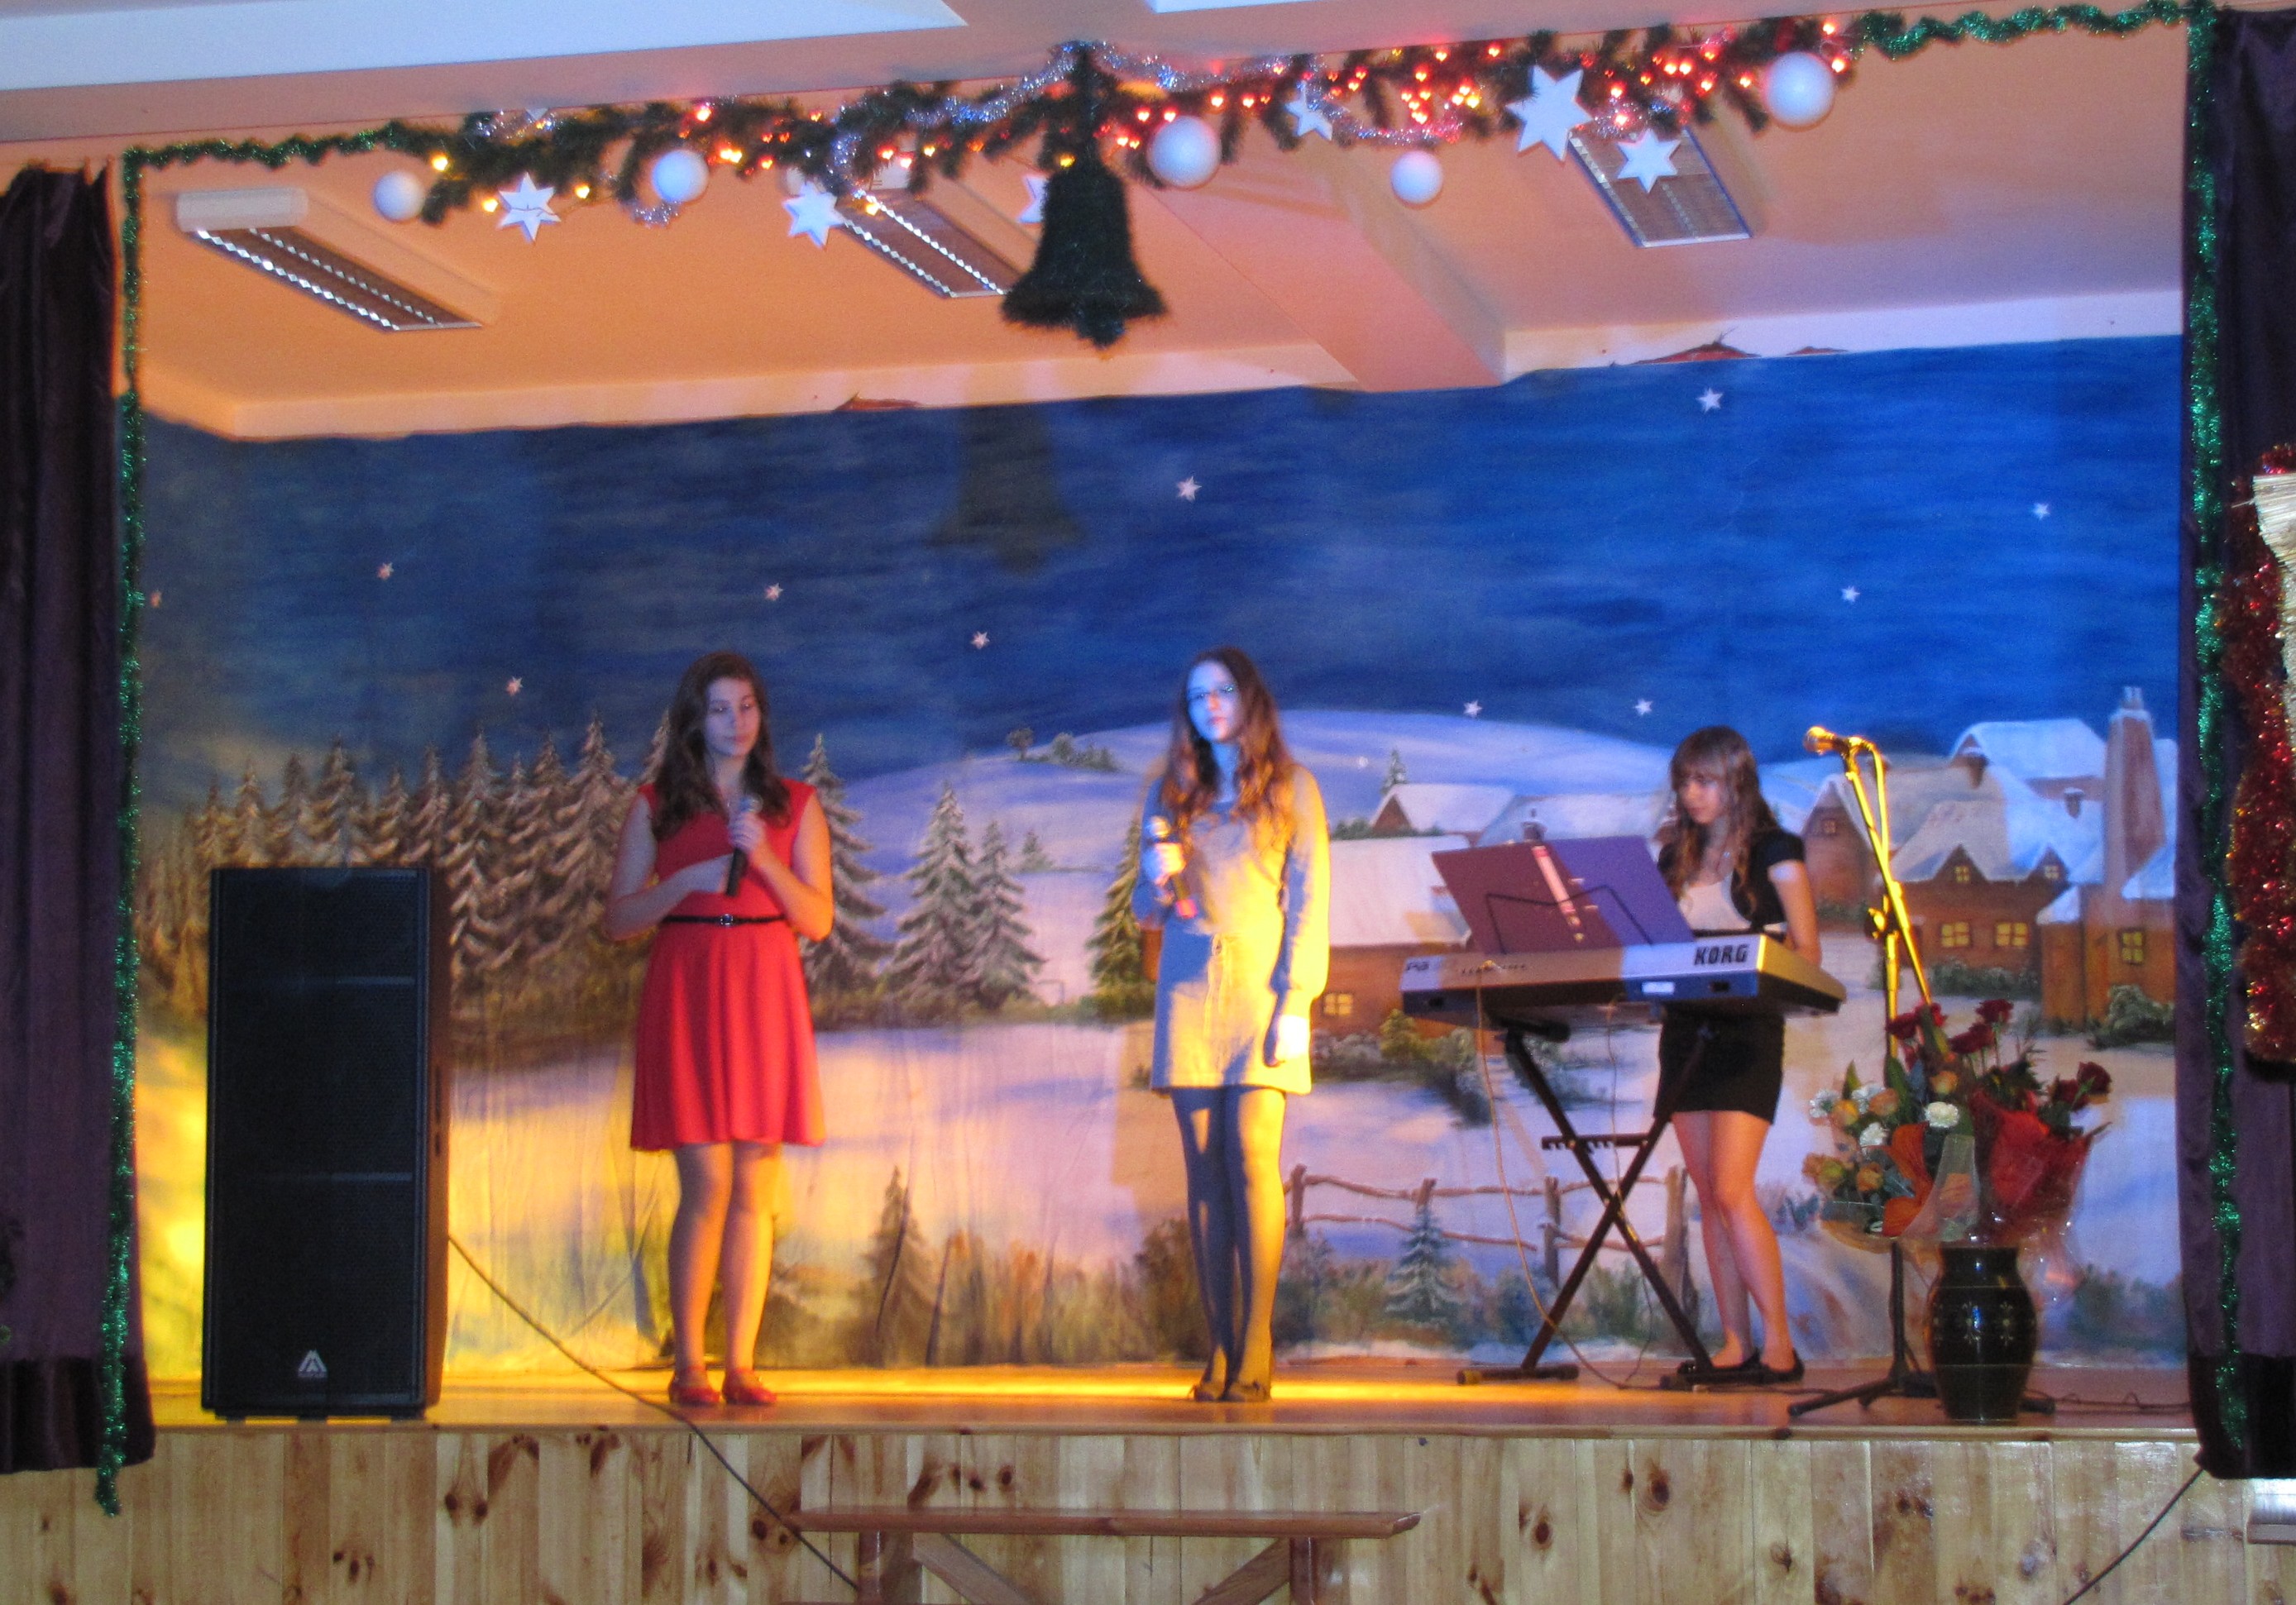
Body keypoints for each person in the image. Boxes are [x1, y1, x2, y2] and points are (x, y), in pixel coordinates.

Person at [605, 652, 833, 1408]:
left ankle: (741, 1363)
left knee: (754, 1184)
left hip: (764, 983)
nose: (737, 722)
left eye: (747, 707)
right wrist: (680, 884)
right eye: (720, 709)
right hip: (690, 986)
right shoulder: (657, 804)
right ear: (693, 721)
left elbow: (817, 919)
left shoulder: (794, 804)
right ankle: (689, 1365)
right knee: (706, 1181)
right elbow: (617, 919)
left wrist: (762, 856)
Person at [1134, 647, 1329, 1402]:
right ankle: (1217, 1345)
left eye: (1221, 690)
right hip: (1189, 989)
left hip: (1259, 989)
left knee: (1252, 1155)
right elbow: (1148, 911)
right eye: (1196, 695)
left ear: (1249, 697)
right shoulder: (1172, 791)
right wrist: (1156, 880)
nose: (1209, 703)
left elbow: (1309, 900)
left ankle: (1257, 1338)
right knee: (1205, 1170)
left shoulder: (1291, 787)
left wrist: (1296, 1002)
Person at [1655, 725, 1822, 1387]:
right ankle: (1734, 1343)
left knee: (1730, 1187)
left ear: (1736, 780)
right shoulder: (1673, 856)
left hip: (1748, 1028)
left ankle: (1780, 1346)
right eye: (1684, 782)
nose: (1692, 793)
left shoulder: (1777, 848)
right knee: (1707, 1192)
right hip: (1684, 1030)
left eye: (1705, 780)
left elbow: (1808, 952)